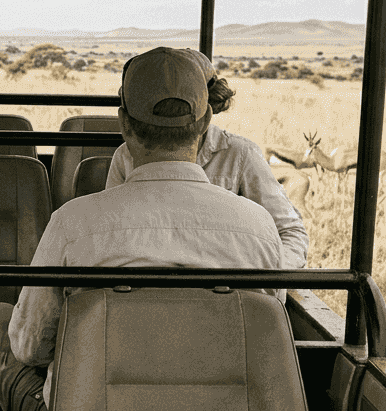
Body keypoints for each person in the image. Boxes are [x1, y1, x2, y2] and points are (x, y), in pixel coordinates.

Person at [0, 47, 283, 411]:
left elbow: (28, 347)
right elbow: (265, 338)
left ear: (124, 126)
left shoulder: (74, 225)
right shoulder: (259, 229)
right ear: (206, 123)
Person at [104, 51, 309, 271]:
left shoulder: (241, 154)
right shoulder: (125, 155)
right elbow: (112, 226)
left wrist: (263, 280)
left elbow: (289, 231)